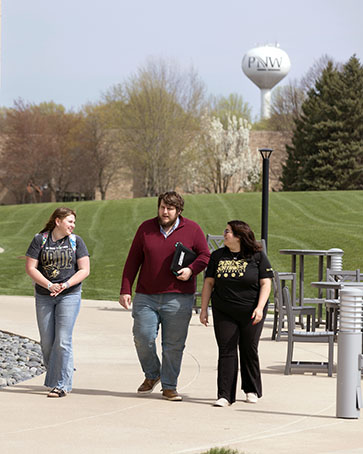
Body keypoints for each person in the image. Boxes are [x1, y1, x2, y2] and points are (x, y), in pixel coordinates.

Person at [119, 191, 210, 401]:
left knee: (173, 345)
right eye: (162, 207)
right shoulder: (146, 228)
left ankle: (169, 386)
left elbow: (205, 255)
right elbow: (133, 259)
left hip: (179, 298)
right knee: (142, 337)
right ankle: (153, 374)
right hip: (146, 296)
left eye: (170, 208)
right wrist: (125, 288)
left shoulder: (192, 229)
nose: (165, 212)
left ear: (178, 211)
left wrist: (191, 270)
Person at [199, 220, 272, 407]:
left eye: (228, 231)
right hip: (224, 311)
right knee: (226, 350)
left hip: (251, 310)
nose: (224, 234)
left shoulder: (257, 257)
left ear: (239, 236)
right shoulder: (217, 256)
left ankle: (251, 389)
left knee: (248, 348)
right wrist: (204, 308)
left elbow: (266, 283)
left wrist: (260, 308)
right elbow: (208, 283)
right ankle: (225, 395)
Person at [25, 207, 90, 398]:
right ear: (58, 221)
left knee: (63, 340)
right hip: (44, 296)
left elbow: (84, 269)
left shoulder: (76, 241)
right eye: (70, 221)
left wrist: (65, 284)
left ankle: (62, 384)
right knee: (47, 343)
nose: (73, 225)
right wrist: (49, 285)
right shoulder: (40, 240)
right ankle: (57, 376)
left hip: (69, 295)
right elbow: (30, 267)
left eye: (74, 222)